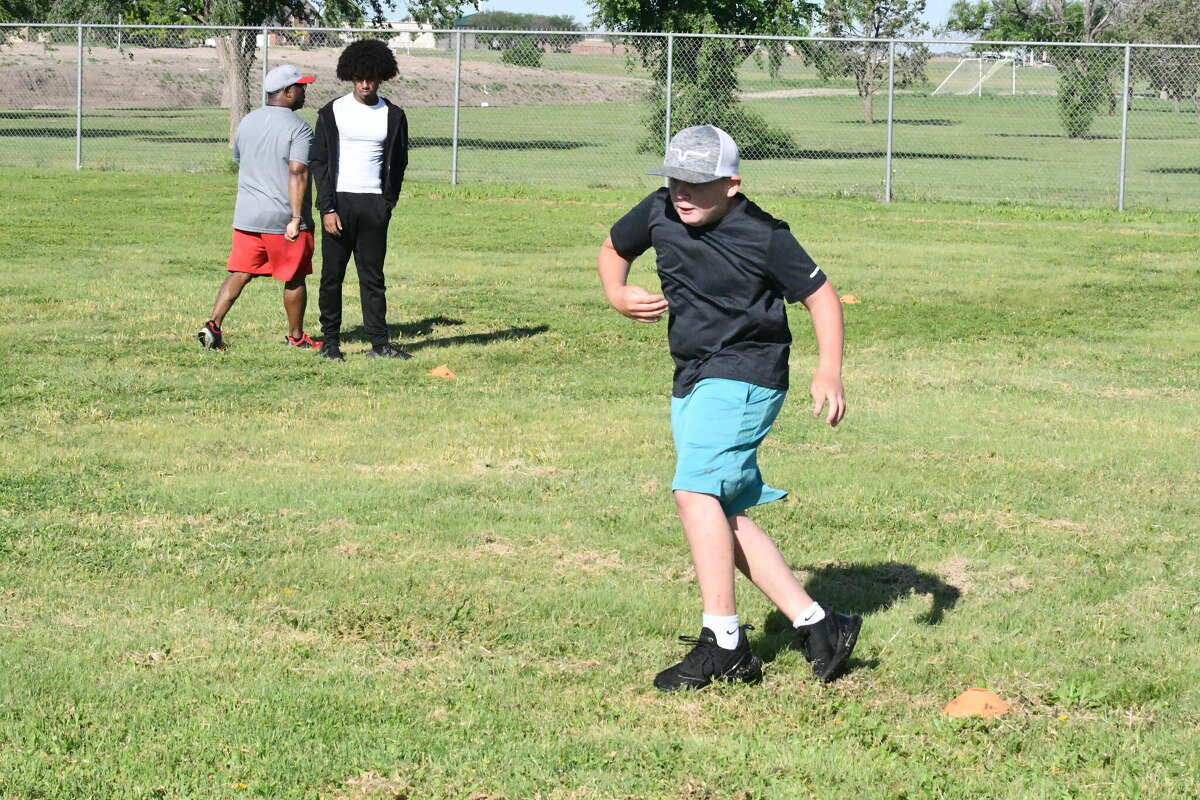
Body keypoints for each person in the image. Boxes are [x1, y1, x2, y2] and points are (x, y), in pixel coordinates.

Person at [597, 125, 862, 692]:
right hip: (692, 375)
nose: (682, 193)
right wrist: (616, 293)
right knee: (722, 510)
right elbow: (614, 248)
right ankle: (819, 624)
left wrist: (828, 369)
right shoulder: (659, 210)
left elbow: (821, 297)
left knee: (694, 491)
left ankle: (724, 643)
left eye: (697, 183)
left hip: (748, 373)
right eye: (675, 180)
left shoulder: (764, 235)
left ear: (732, 185)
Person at [198, 64, 321, 352]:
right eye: (301, 87)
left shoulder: (247, 122)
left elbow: (243, 161)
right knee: (294, 277)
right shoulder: (299, 128)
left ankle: (213, 324)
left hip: (247, 216)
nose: (304, 91)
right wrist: (295, 217)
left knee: (241, 272)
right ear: (287, 92)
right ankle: (296, 337)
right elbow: (298, 172)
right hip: (283, 218)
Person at [310, 39, 410, 362]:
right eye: (359, 78)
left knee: (373, 278)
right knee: (332, 277)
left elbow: (400, 162)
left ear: (381, 77)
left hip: (374, 206)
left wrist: (388, 202)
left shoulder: (393, 115)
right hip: (339, 204)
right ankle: (331, 343)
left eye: (371, 78)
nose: (365, 84)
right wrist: (327, 207)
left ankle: (379, 344)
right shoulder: (332, 112)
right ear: (350, 76)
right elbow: (319, 162)